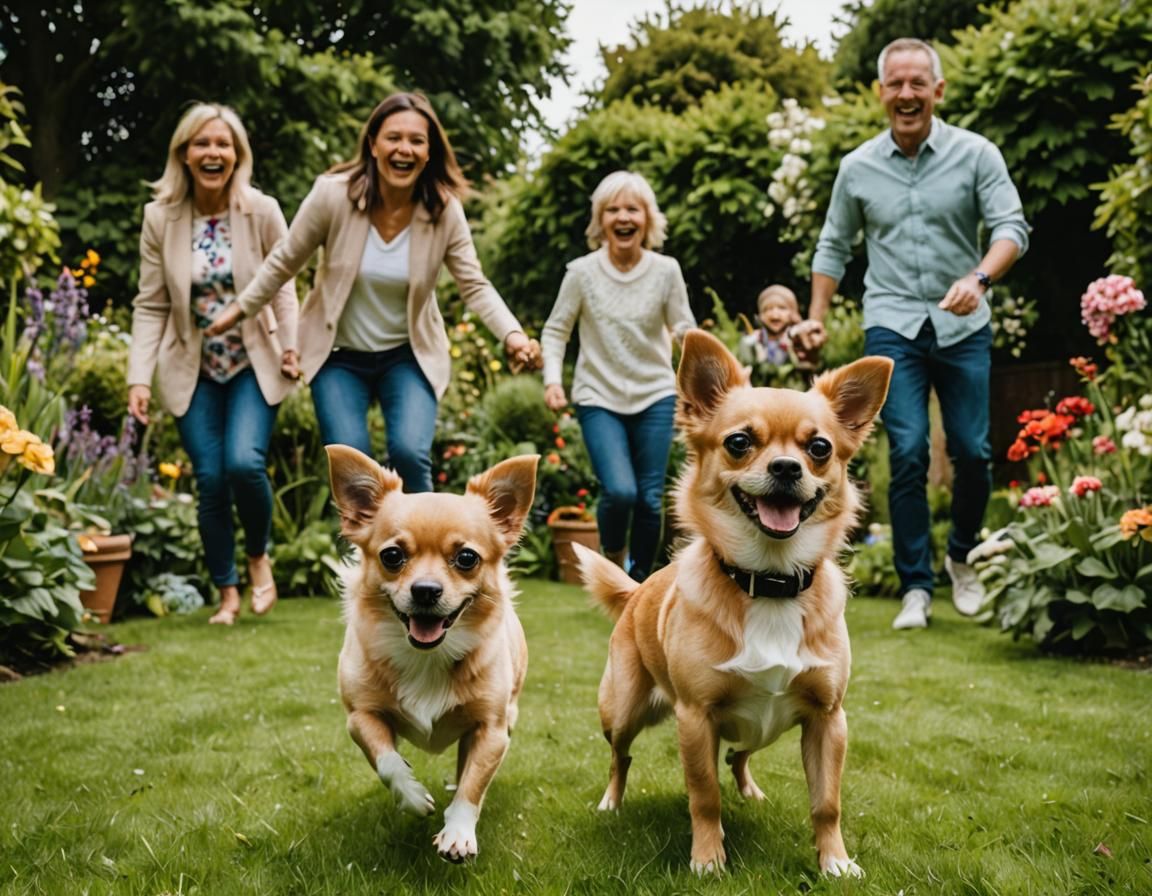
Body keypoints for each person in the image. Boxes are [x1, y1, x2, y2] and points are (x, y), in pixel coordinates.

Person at [794, 37, 1030, 630]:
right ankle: (916, 588)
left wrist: (979, 278)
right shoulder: (857, 168)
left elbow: (1011, 228)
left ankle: (961, 557)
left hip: (963, 320)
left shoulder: (977, 154)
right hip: (892, 325)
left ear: (937, 91)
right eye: (895, 84)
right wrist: (816, 316)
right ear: (881, 93)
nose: (906, 94)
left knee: (973, 451)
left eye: (917, 83)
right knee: (906, 452)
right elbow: (833, 245)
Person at [205, 92, 540, 493]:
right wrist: (239, 310)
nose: (404, 149)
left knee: (409, 453)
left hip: (407, 355)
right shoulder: (333, 196)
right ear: (373, 144)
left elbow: (474, 284)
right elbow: (285, 259)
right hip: (338, 358)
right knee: (356, 470)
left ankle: (428, 551)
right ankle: (363, 555)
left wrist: (513, 335)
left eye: (417, 141)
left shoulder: (443, 211)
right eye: (393, 137)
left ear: (429, 152)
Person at [127, 103, 299, 625]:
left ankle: (258, 557)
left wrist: (291, 344)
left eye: (223, 144)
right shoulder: (161, 217)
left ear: (237, 155)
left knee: (243, 464)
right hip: (191, 367)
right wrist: (138, 376)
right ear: (184, 152)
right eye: (202, 144)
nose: (213, 153)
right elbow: (151, 302)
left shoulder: (262, 210)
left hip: (254, 360)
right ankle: (227, 592)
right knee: (209, 479)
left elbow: (286, 283)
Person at [541, 170, 696, 582]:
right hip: (598, 395)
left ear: (647, 218)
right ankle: (612, 561)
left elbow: (685, 328)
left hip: (656, 393)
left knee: (648, 499)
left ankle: (641, 581)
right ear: (600, 220)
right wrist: (552, 380)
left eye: (632, 208)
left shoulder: (666, 271)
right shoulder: (581, 273)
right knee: (620, 491)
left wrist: (704, 373)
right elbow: (557, 329)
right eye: (613, 209)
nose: (623, 217)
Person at [737, 283, 816, 382]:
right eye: (768, 309)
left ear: (793, 313)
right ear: (760, 315)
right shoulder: (751, 341)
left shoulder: (798, 340)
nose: (775, 314)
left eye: (782, 308)